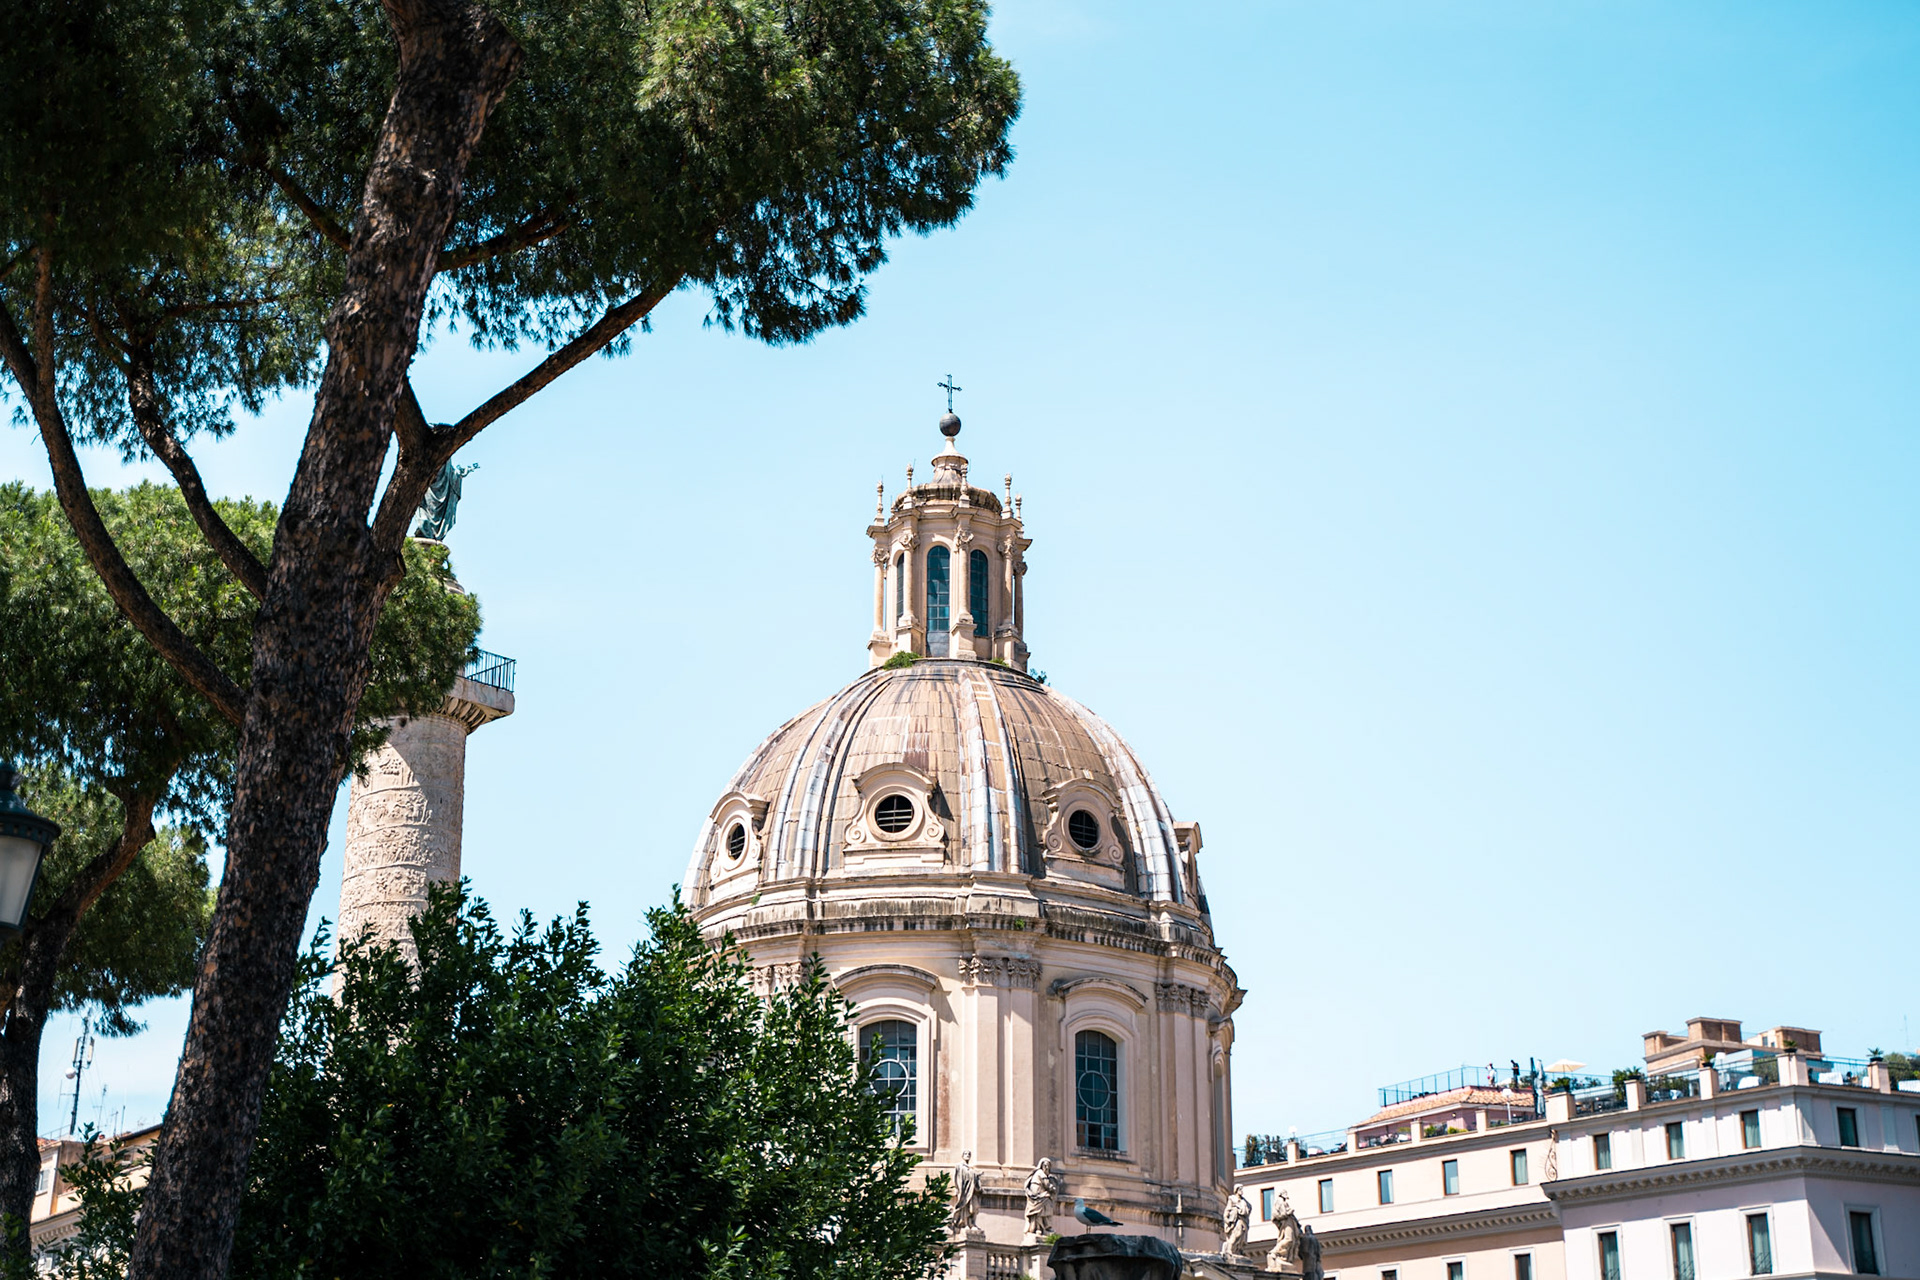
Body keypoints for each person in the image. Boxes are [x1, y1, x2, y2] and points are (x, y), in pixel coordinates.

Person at [948, 1150, 982, 1234]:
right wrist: (958, 1188)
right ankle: (965, 1223)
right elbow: (957, 1178)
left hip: (971, 1190)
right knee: (964, 1207)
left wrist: (977, 1175)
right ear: (962, 1156)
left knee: (974, 1207)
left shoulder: (970, 1169)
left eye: (969, 1154)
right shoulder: (959, 1166)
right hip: (963, 1191)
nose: (967, 1155)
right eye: (965, 1154)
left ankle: (972, 1223)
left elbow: (973, 1177)